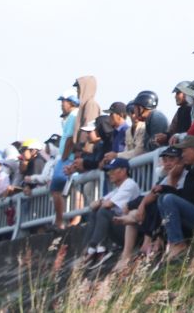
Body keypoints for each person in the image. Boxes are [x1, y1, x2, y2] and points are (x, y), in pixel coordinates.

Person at [80, 158, 140, 269]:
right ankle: (88, 249)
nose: (109, 173)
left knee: (103, 212)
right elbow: (93, 205)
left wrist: (101, 203)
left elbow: (107, 205)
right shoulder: (117, 189)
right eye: (109, 171)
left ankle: (95, 248)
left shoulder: (129, 184)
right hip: (122, 229)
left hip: (132, 232)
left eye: (113, 170)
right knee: (95, 212)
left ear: (123, 170)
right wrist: (101, 203)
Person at [50, 89, 78, 229]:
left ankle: (60, 221)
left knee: (56, 188)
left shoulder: (73, 116)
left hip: (68, 158)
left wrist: (65, 157)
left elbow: (69, 139)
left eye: (64, 101)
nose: (62, 104)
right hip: (67, 157)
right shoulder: (70, 117)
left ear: (72, 102)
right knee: (72, 188)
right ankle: (66, 219)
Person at [162, 81, 194, 145]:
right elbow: (172, 130)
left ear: (187, 93)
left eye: (178, 93)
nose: (175, 96)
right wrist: (166, 136)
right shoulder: (180, 110)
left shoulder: (193, 109)